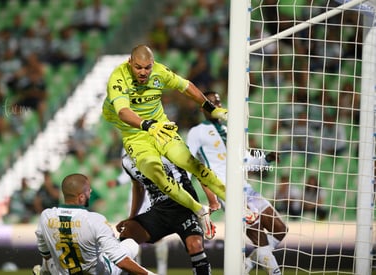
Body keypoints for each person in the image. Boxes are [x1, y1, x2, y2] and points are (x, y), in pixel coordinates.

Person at [102, 44, 228, 239]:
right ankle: (198, 209)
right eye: (138, 67)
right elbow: (123, 112)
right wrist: (148, 126)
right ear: (129, 63)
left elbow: (186, 86)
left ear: (153, 64)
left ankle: (236, 206)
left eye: (147, 67)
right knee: (156, 173)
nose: (143, 72)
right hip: (136, 134)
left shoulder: (160, 72)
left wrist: (209, 107)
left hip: (160, 128)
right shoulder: (118, 78)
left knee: (191, 164)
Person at [187, 91, 288, 275]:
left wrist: (266, 159)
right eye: (211, 103)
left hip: (245, 188)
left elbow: (246, 160)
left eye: (218, 102)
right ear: (203, 107)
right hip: (226, 191)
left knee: (280, 229)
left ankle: (248, 264)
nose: (216, 105)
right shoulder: (197, 132)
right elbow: (188, 162)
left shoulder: (230, 130)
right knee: (259, 235)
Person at [34, 173, 157, 275]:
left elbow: (45, 253)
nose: (91, 192)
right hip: (97, 272)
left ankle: (44, 272)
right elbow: (121, 261)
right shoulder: (94, 220)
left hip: (62, 271)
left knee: (50, 256)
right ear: (81, 197)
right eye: (88, 190)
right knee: (131, 244)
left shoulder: (46, 216)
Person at [116, 152, 212, 275]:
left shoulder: (168, 146)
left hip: (185, 208)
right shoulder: (127, 161)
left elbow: (199, 170)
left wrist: (212, 202)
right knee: (128, 232)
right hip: (159, 212)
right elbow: (138, 186)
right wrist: (132, 217)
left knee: (195, 245)